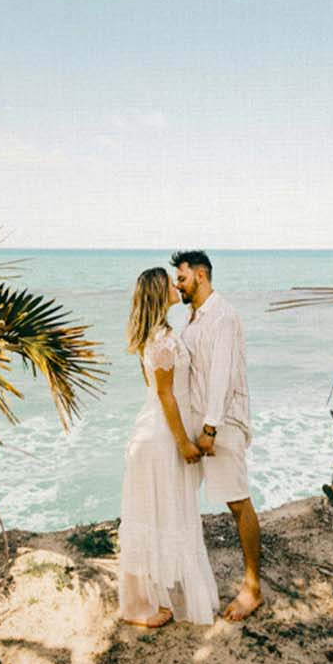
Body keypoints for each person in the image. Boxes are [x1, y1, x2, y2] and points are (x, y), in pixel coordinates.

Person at [115, 266, 219, 628]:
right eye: (170, 283)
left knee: (158, 515)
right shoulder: (160, 340)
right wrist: (184, 442)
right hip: (158, 439)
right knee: (150, 517)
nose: (177, 286)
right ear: (160, 294)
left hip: (156, 433)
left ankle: (150, 598)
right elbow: (165, 395)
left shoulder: (159, 335)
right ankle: (139, 607)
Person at [170, 249, 263, 622]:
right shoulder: (192, 321)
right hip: (198, 426)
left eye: (182, 278)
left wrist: (209, 430)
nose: (178, 285)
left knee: (238, 501)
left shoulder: (222, 316)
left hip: (221, 426)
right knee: (179, 498)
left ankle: (252, 587)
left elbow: (222, 377)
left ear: (201, 276)